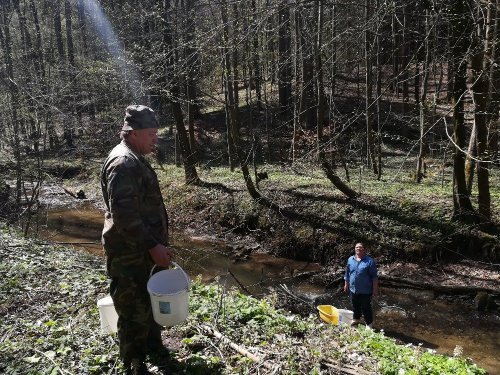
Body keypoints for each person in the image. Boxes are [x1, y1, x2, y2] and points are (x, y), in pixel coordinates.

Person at [101, 105, 174, 375]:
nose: (156, 139)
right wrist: (153, 246)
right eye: (151, 133)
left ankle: (154, 349)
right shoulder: (123, 163)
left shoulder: (133, 157)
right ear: (132, 133)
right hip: (129, 254)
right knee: (133, 312)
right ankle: (135, 365)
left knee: (147, 303)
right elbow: (125, 217)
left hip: (140, 250)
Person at [344, 242, 378, 328]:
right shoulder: (350, 259)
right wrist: (346, 284)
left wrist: (374, 290)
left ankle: (369, 324)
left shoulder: (370, 261)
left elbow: (374, 277)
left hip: (365, 290)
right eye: (356, 247)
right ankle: (356, 320)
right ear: (354, 249)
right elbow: (347, 273)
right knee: (355, 306)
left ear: (364, 249)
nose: (358, 249)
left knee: (366, 308)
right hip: (353, 289)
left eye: (360, 247)